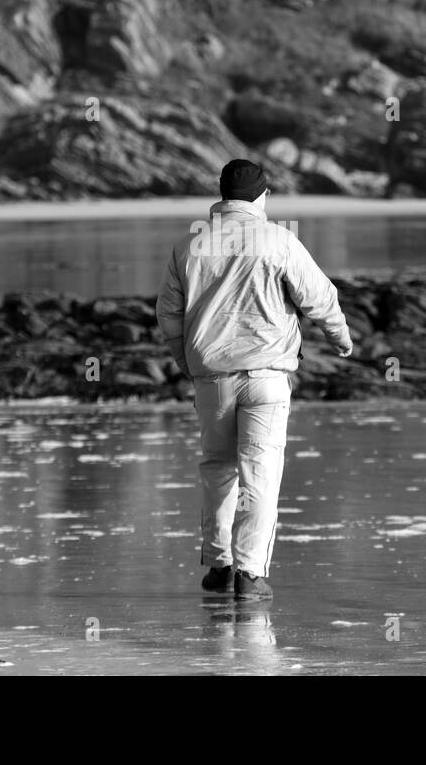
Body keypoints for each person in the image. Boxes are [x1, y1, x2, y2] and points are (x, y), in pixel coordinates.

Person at [156, 159, 353, 600]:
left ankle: (219, 567)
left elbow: (168, 314)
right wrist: (341, 339)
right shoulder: (279, 240)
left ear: (222, 195)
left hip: (212, 377)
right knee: (259, 474)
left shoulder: (190, 246)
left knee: (218, 469)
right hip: (267, 376)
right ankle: (250, 575)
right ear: (262, 197)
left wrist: (184, 360)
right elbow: (319, 296)